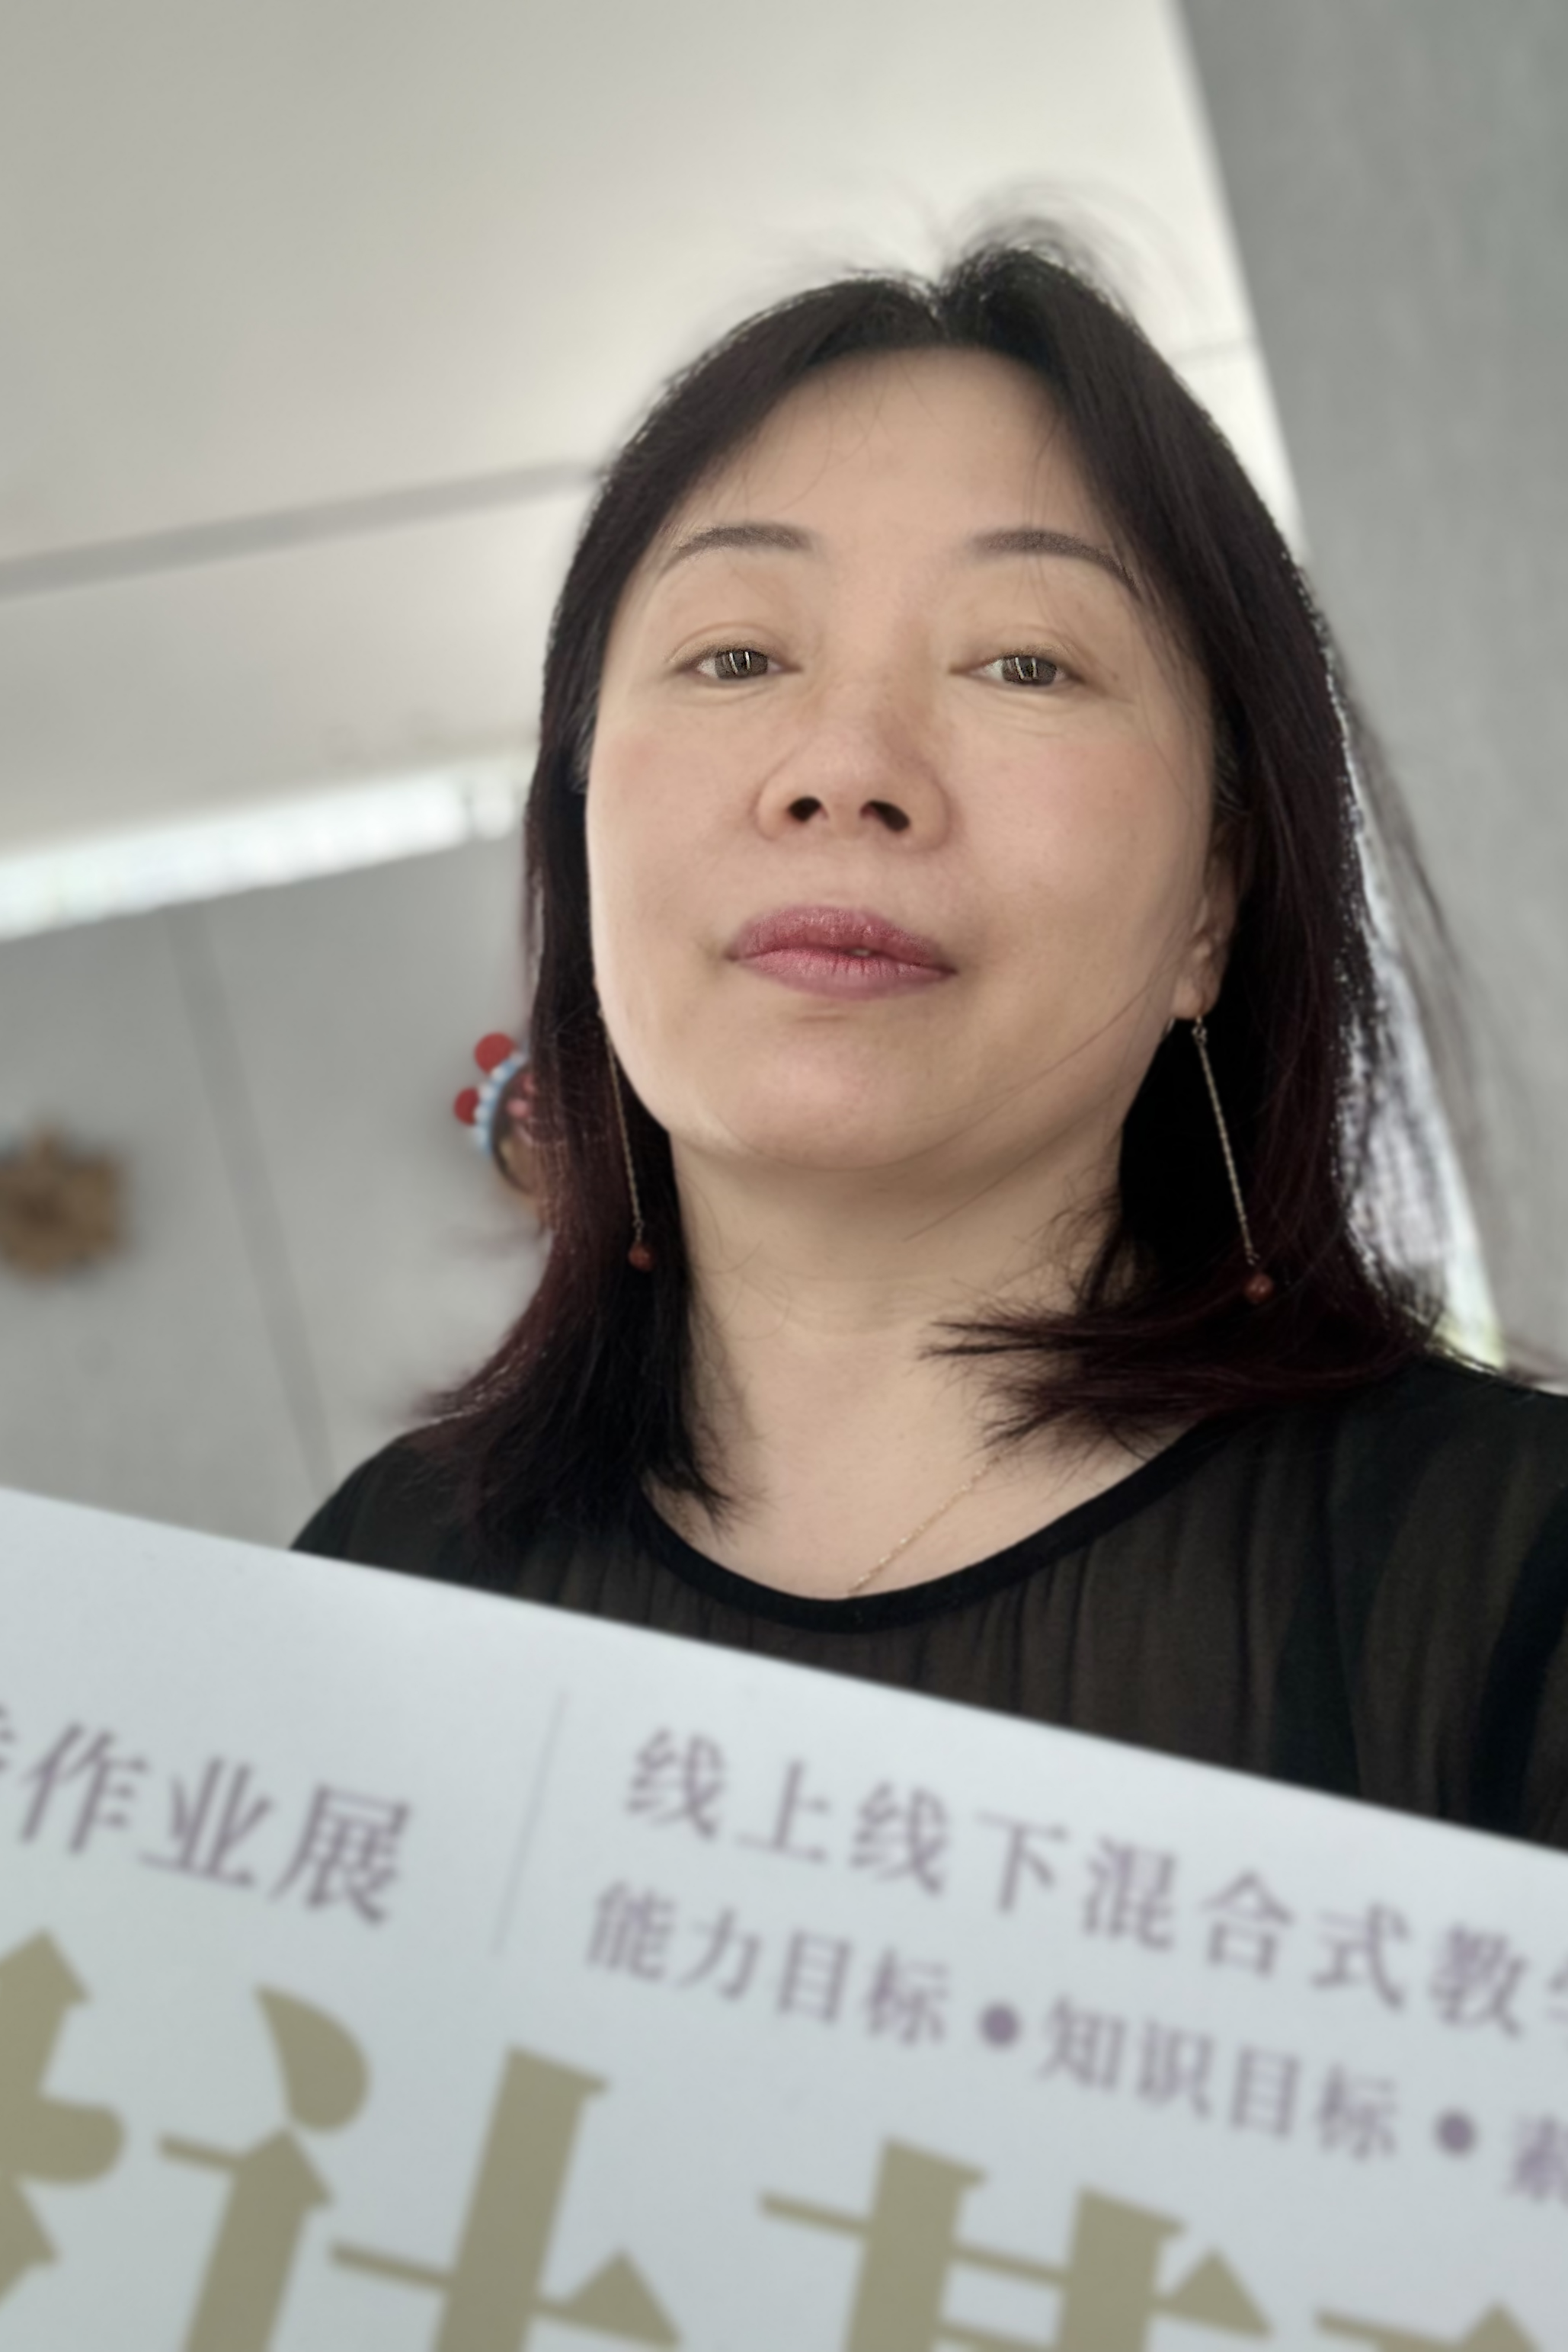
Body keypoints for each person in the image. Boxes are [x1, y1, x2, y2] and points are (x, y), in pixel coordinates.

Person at [296, 229, 1568, 1850]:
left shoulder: (1511, 1583)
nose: (844, 767)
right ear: (579, 820)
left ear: (1213, 901)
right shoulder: (375, 1588)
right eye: (736, 655)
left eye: (1024, 661)